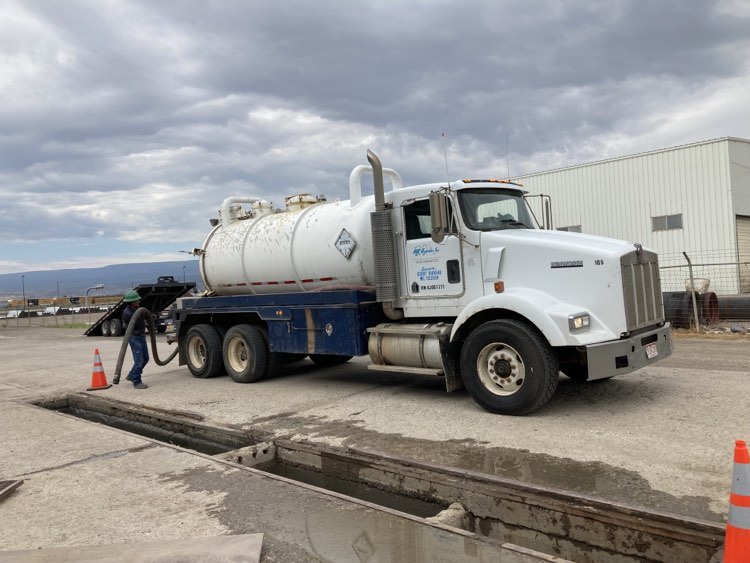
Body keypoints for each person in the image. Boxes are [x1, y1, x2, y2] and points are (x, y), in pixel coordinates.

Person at [122, 290, 149, 389]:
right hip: (133, 337)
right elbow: (135, 324)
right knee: (139, 360)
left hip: (141, 336)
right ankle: (137, 381)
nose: (138, 301)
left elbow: (143, 319)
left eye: (138, 300)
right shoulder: (127, 313)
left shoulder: (137, 310)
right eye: (136, 300)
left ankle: (131, 375)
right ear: (131, 302)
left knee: (145, 358)